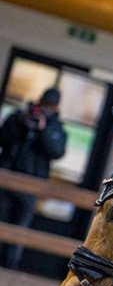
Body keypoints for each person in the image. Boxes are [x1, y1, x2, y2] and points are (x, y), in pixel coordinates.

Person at [0, 87, 67, 268]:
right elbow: (3, 137)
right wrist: (21, 123)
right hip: (6, 180)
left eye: (50, 106)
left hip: (32, 186)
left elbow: (56, 151)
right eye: (45, 104)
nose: (46, 108)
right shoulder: (20, 116)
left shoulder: (56, 127)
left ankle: (9, 268)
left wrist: (43, 130)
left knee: (18, 232)